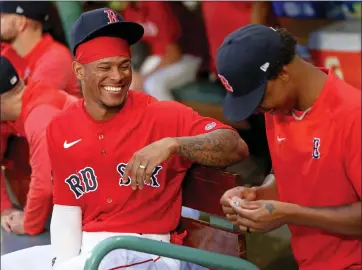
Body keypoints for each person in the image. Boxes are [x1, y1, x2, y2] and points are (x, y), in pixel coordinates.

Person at [1, 8, 248, 270]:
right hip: (91, 248)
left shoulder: (162, 115)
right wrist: (65, 262)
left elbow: (235, 146)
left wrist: (174, 144)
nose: (117, 77)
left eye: (124, 65)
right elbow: (66, 210)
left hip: (148, 249)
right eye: (105, 67)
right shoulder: (61, 127)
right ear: (79, 71)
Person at [217, 24, 361, 270]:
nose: (257, 109)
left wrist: (289, 214)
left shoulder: (353, 115)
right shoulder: (278, 108)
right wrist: (259, 196)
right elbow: (289, 172)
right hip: (308, 261)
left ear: (283, 73)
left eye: (259, 98)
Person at [0, 51, 77, 236]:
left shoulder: (40, 116)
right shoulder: (22, 100)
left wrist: (28, 223)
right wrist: (5, 208)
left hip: (124, 190)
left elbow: (44, 185)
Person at [122, 2, 209, 100]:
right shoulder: (130, 8)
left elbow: (174, 54)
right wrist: (135, 74)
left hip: (189, 58)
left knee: (153, 84)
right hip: (161, 58)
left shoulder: (159, 5)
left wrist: (143, 77)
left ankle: (172, 116)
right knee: (131, 84)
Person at [0, 1, 80, 97]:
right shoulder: (9, 53)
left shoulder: (54, 58)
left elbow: (29, 104)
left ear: (20, 23)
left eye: (2, 17)